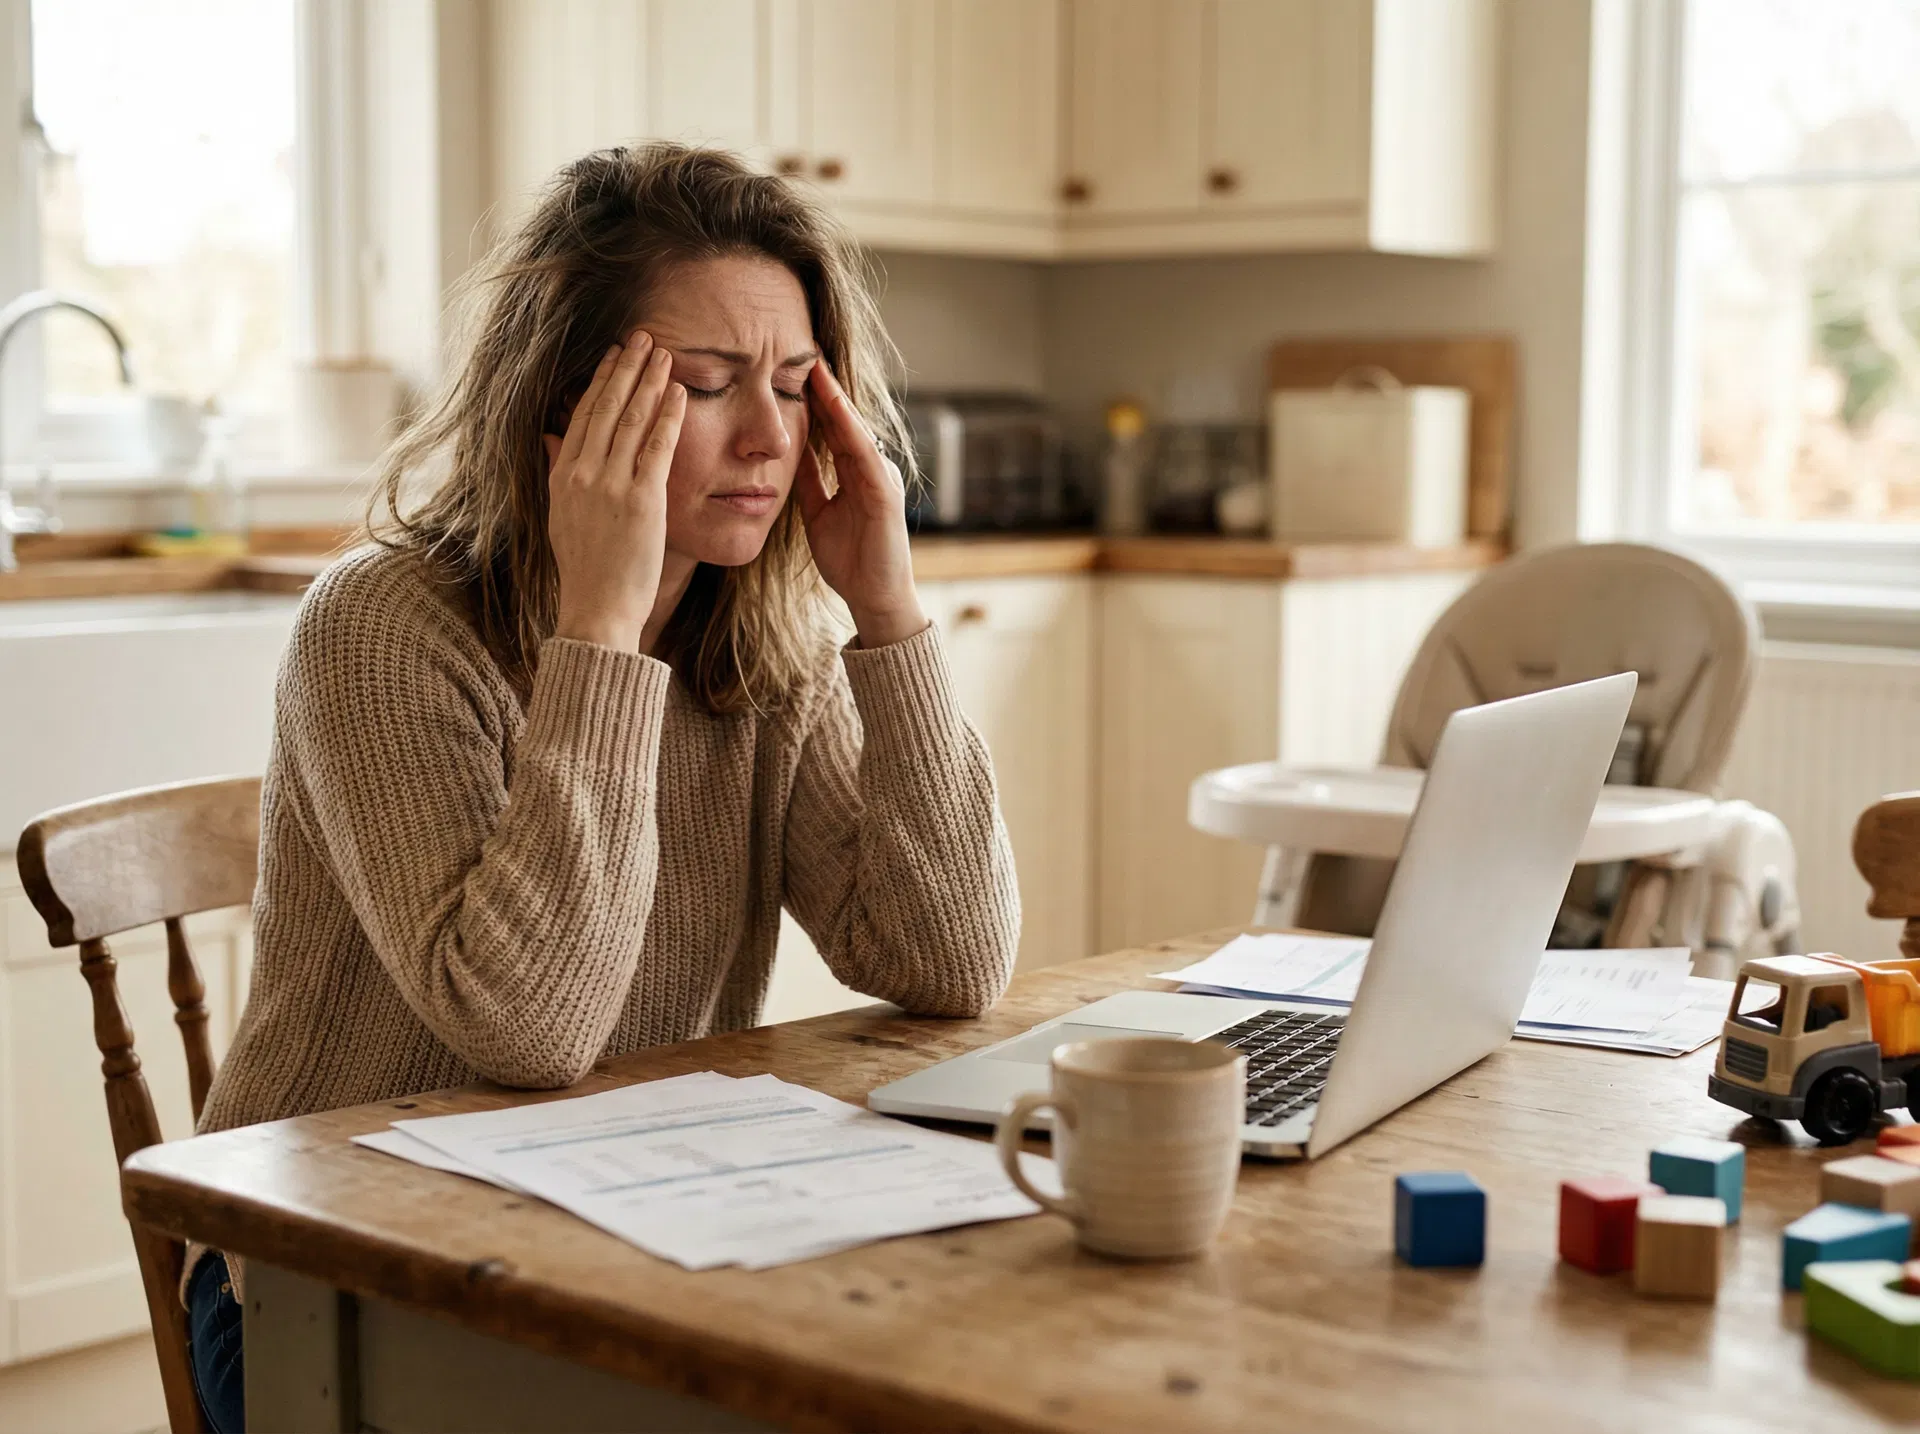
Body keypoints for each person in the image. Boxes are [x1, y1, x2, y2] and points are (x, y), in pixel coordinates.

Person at [182, 143, 1020, 1433]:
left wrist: (889, 613)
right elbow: (529, 1031)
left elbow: (949, 963)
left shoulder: (768, 639)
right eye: (707, 386)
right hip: (322, 1275)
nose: (768, 439)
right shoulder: (384, 625)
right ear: (564, 411)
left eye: (795, 387)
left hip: (624, 1220)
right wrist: (604, 630)